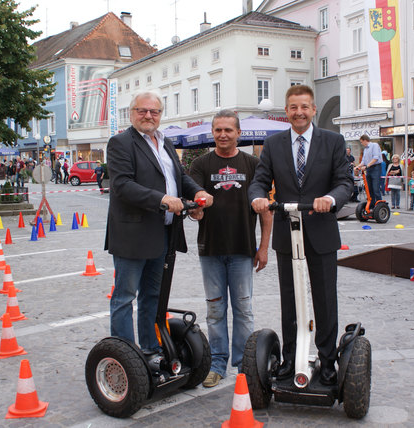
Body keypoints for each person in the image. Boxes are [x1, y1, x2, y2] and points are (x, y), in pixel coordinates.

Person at [249, 84, 352, 386]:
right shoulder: (274, 144)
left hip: (320, 229)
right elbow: (259, 181)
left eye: (305, 107)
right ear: (287, 110)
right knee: (290, 300)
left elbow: (345, 182)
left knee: (324, 299)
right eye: (294, 107)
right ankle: (291, 357)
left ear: (313, 109)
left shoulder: (332, 141)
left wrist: (330, 199)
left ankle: (327, 359)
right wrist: (256, 198)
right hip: (286, 231)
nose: (299, 112)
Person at [104, 91, 213, 355]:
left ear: (160, 115)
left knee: (153, 296)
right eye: (142, 111)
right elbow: (122, 185)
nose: (148, 116)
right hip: (132, 234)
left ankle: (151, 351)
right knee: (124, 297)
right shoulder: (121, 142)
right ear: (132, 113)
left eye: (154, 112)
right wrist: (162, 199)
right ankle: (126, 356)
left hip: (163, 233)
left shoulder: (164, 142)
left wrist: (197, 191)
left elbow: (177, 178)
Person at [188, 110, 273, 388]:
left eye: (228, 130)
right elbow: (194, 206)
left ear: (238, 133)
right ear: (212, 133)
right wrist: (196, 212)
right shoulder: (200, 164)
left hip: (242, 249)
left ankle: (244, 365)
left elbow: (266, 211)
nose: (222, 135)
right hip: (210, 249)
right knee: (214, 310)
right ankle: (217, 363)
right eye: (218, 130)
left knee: (244, 310)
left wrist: (264, 248)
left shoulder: (252, 164)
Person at [355, 134, 382, 207]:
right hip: (369, 169)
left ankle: (380, 205)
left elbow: (375, 158)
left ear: (365, 140)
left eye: (361, 142)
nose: (361, 144)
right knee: (369, 189)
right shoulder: (365, 149)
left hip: (376, 167)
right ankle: (372, 205)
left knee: (376, 188)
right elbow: (363, 161)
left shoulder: (374, 145)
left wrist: (367, 166)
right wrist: (357, 167)